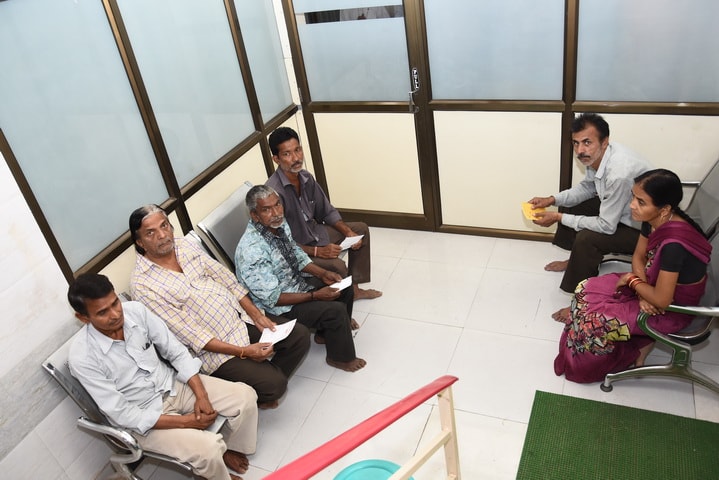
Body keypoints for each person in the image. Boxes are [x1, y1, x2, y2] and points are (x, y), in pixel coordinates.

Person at [68, 273, 257, 480]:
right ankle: (217, 472)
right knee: (208, 449)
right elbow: (122, 414)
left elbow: (175, 351)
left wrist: (201, 395)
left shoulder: (136, 312)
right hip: (143, 418)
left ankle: (227, 449)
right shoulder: (82, 357)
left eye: (115, 303)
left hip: (172, 385)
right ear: (83, 318)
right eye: (103, 312)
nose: (115, 314)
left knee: (245, 396)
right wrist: (187, 422)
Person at [129, 205, 310, 410]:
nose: (162, 235)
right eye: (150, 233)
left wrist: (256, 315)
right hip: (213, 351)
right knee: (275, 385)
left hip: (240, 320)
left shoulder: (184, 245)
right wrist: (244, 352)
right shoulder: (142, 285)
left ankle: (258, 377)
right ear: (139, 242)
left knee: (299, 336)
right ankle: (258, 385)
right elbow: (193, 336)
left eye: (164, 226)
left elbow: (225, 278)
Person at [553, 169, 712, 383]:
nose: (632, 205)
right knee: (584, 288)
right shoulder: (653, 219)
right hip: (650, 285)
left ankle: (602, 363)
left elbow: (662, 300)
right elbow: (638, 257)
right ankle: (639, 341)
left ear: (664, 209)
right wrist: (642, 292)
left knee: (594, 322)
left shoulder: (674, 246)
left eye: (641, 202)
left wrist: (632, 281)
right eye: (633, 197)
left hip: (672, 310)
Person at [236, 185, 367, 372]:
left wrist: (322, 273)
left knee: (342, 285)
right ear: (255, 215)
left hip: (295, 284)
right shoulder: (252, 251)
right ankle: (340, 358)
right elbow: (273, 298)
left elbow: (296, 254)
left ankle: (325, 334)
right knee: (335, 311)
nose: (276, 213)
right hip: (277, 307)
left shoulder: (279, 225)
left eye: (277, 205)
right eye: (266, 209)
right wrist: (315, 296)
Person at [528, 113, 652, 299]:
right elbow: (588, 187)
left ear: (604, 142)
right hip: (624, 212)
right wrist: (552, 200)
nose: (580, 150)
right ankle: (576, 261)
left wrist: (558, 217)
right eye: (576, 143)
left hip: (644, 231)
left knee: (587, 238)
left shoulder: (619, 173)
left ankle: (581, 298)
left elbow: (606, 226)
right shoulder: (598, 156)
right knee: (572, 203)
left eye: (587, 142)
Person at [266, 126, 382, 301]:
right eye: (287, 154)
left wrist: (348, 232)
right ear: (276, 159)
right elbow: (280, 244)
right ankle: (342, 304)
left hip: (314, 233)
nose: (296, 158)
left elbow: (326, 211)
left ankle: (355, 290)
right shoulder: (273, 194)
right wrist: (317, 251)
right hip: (298, 250)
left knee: (360, 230)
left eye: (298, 150)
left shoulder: (306, 177)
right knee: (337, 266)